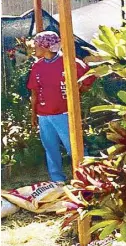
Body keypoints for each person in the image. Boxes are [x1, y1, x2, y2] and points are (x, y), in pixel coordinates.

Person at [27, 31, 95, 183]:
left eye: (36, 45)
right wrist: (34, 115)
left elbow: (89, 79)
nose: (34, 48)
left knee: (75, 148)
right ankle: (57, 180)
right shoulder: (37, 66)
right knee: (50, 149)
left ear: (45, 46)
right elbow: (34, 92)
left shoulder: (70, 62)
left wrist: (78, 91)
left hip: (64, 114)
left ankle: (88, 179)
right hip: (44, 116)